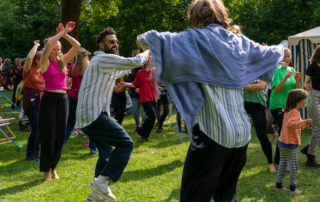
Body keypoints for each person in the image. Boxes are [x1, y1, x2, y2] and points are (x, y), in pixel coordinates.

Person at [136, 0, 284, 201]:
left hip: (212, 132)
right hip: (241, 133)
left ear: (195, 16)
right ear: (222, 15)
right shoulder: (239, 42)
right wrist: (282, 46)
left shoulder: (193, 38)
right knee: (227, 196)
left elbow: (145, 39)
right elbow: (275, 52)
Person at [75, 27, 149, 202]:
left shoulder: (105, 62)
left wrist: (144, 57)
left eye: (116, 41)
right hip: (94, 115)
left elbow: (124, 70)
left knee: (106, 151)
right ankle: (101, 183)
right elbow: (136, 61)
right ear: (101, 45)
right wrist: (149, 48)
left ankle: (95, 195)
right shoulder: (103, 58)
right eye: (111, 41)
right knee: (126, 144)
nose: (115, 44)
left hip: (89, 116)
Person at [39, 22, 80, 181]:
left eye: (58, 49)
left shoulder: (62, 62)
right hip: (49, 99)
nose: (56, 51)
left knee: (60, 136)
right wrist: (59, 34)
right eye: (54, 49)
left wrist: (66, 34)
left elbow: (77, 46)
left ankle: (53, 167)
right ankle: (46, 171)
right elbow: (49, 43)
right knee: (48, 136)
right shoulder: (44, 61)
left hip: (63, 99)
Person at [269, 48, 302, 164]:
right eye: (284, 56)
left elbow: (296, 91)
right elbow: (277, 90)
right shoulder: (276, 70)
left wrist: (297, 81)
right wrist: (285, 78)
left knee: (285, 130)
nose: (287, 59)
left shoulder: (292, 69)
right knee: (284, 129)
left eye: (288, 56)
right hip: (277, 105)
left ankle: (279, 159)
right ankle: (282, 159)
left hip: (289, 105)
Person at [275, 89, 311, 194]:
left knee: (282, 164)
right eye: (304, 98)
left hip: (282, 142)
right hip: (288, 144)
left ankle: (278, 186)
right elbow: (290, 124)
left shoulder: (289, 110)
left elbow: (293, 124)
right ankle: (292, 189)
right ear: (298, 100)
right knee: (294, 167)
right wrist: (304, 121)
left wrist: (304, 124)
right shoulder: (294, 112)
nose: (305, 100)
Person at [118, 59, 157, 142]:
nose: (154, 62)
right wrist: (126, 84)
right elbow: (135, 84)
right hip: (145, 97)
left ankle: (143, 135)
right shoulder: (140, 72)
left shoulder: (156, 71)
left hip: (153, 96)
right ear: (146, 62)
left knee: (152, 117)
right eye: (152, 60)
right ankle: (141, 132)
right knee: (152, 116)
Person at [243, 79, 276, 172]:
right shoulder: (240, 67)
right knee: (240, 133)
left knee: (261, 134)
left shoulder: (259, 70)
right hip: (241, 103)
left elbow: (261, 86)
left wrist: (242, 84)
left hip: (257, 105)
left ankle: (271, 163)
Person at [23, 40, 45, 162]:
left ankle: (36, 153)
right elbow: (29, 57)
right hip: (31, 100)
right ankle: (29, 155)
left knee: (41, 129)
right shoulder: (28, 70)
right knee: (36, 128)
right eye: (42, 60)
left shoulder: (42, 71)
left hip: (41, 100)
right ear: (37, 61)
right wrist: (36, 46)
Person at [300, 46, 320, 167]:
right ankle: (310, 157)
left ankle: (308, 150)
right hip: (314, 97)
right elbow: (305, 82)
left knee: (318, 129)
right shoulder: (312, 67)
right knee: (318, 128)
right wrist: (306, 85)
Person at [127, 56, 147, 131]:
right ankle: (138, 125)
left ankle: (143, 124)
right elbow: (129, 82)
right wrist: (134, 89)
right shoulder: (132, 71)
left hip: (144, 95)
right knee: (135, 112)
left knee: (145, 111)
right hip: (135, 95)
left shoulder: (145, 70)